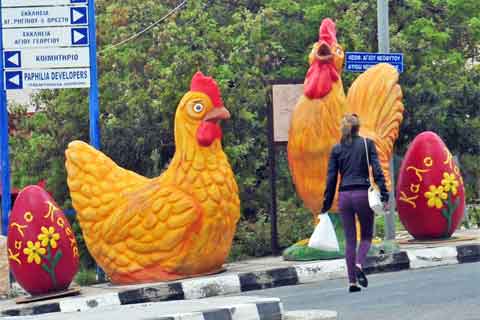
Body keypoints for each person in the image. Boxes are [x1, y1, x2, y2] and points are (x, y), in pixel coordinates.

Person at [320, 113, 389, 293]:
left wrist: (326, 203)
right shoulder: (367, 145)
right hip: (362, 195)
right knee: (366, 236)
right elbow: (377, 171)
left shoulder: (336, 149)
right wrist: (385, 194)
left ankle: (352, 282)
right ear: (358, 127)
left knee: (350, 240)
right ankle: (359, 264)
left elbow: (331, 178)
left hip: (344, 197)